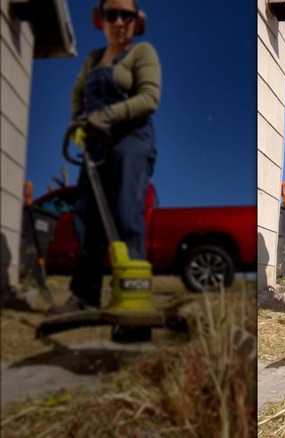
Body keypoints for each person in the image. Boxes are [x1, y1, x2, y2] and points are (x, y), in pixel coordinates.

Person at [50, 0, 161, 314]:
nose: (119, 21)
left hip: (131, 141)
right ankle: (84, 297)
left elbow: (149, 98)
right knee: (87, 219)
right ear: (101, 19)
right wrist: (78, 124)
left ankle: (133, 302)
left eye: (126, 14)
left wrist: (110, 113)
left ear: (136, 19)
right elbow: (77, 93)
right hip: (95, 146)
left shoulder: (142, 53)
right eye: (112, 14)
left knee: (126, 214)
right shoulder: (94, 59)